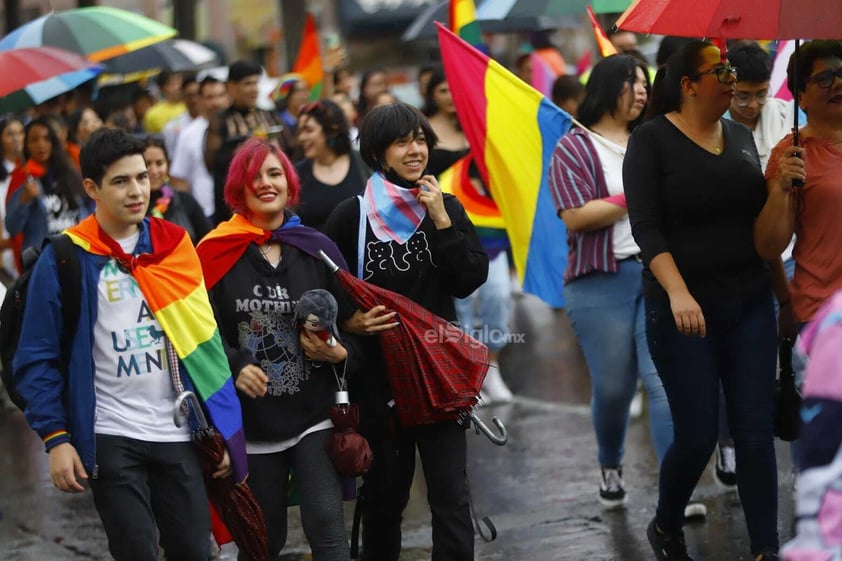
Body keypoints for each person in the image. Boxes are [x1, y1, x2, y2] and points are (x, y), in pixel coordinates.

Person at [12, 127, 247, 561]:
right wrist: (56, 437)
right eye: (121, 181)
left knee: (195, 550)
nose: (137, 190)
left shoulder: (174, 245)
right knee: (136, 550)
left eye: (142, 177)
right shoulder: (66, 256)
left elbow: (204, 342)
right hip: (110, 432)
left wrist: (222, 426)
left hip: (178, 429)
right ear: (92, 189)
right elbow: (36, 356)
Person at [624, 40, 781, 561]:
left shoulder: (740, 136)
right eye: (720, 70)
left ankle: (765, 549)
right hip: (683, 311)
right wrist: (678, 292)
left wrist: (784, 192)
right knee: (695, 436)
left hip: (751, 303)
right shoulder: (651, 140)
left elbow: (760, 228)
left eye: (732, 68)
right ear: (688, 84)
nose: (732, 77)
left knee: (755, 434)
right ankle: (666, 525)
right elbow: (646, 228)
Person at [323, 102, 488, 561]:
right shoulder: (351, 217)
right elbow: (322, 290)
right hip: (378, 384)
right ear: (378, 153)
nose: (415, 150)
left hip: (439, 379)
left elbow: (469, 277)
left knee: (451, 499)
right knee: (383, 504)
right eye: (402, 142)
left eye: (420, 140)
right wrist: (349, 323)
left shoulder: (445, 205)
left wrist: (440, 219)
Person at [196, 137, 354, 561]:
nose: (267, 183)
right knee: (265, 543)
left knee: (327, 528)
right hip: (251, 426)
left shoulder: (317, 248)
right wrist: (233, 363)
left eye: (275, 172)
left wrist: (342, 353)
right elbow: (195, 332)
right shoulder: (213, 253)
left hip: (313, 415)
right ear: (238, 189)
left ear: (289, 181)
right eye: (255, 176)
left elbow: (354, 321)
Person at [548, 54, 673, 509]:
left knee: (661, 383)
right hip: (599, 282)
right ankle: (610, 462)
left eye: (646, 83)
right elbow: (576, 216)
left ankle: (672, 495)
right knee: (616, 386)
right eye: (632, 82)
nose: (643, 90)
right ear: (606, 87)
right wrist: (634, 192)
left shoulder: (653, 137)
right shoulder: (574, 147)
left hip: (656, 273)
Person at [708, 41, 796, 492]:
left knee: (797, 357)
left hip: (789, 256)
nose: (752, 104)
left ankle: (802, 464)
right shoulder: (711, 126)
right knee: (736, 364)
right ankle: (728, 440)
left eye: (760, 94)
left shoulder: (788, 119)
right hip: (737, 262)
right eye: (743, 95)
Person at [422, 68, 513, 402]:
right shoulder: (424, 133)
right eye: (443, 90)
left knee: (498, 295)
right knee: (461, 307)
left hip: (488, 228)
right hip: (445, 228)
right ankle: (468, 372)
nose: (449, 97)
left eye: (454, 90)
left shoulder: (477, 126)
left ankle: (493, 367)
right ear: (432, 94)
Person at [755, 40, 842, 329]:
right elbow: (769, 247)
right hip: (824, 313)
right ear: (801, 96)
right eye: (825, 78)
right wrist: (780, 189)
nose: (838, 83)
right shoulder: (790, 154)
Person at [5, 116, 91, 272]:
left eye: (46, 138)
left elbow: (89, 210)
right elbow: (12, 227)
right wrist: (23, 200)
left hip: (79, 256)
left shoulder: (69, 173)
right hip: (44, 264)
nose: (41, 144)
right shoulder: (22, 178)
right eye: (34, 139)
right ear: (27, 145)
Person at [205, 60, 284, 224]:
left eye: (256, 83)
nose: (254, 89)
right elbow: (210, 162)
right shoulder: (220, 120)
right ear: (231, 87)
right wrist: (238, 153)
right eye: (248, 84)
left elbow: (293, 150)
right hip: (233, 208)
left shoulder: (269, 115)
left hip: (273, 198)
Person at [294, 100, 367, 232]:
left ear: (332, 129)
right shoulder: (296, 173)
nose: (302, 138)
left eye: (309, 130)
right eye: (300, 132)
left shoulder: (364, 162)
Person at [169, 75, 229, 219]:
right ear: (201, 100)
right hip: (206, 212)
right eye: (210, 97)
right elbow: (178, 178)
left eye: (220, 95)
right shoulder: (188, 134)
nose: (216, 102)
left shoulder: (238, 126)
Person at [142, 135, 211, 244]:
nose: (154, 171)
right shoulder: (134, 207)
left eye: (159, 163)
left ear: (168, 165)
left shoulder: (186, 201)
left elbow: (208, 241)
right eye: (147, 164)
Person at [0, 116, 24, 282]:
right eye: (10, 134)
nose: (16, 138)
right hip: (8, 264)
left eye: (20, 132)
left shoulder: (31, 169)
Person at [162, 73, 200, 157]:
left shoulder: (213, 122)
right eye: (190, 95)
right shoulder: (171, 127)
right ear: (183, 97)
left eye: (197, 94)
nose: (194, 100)